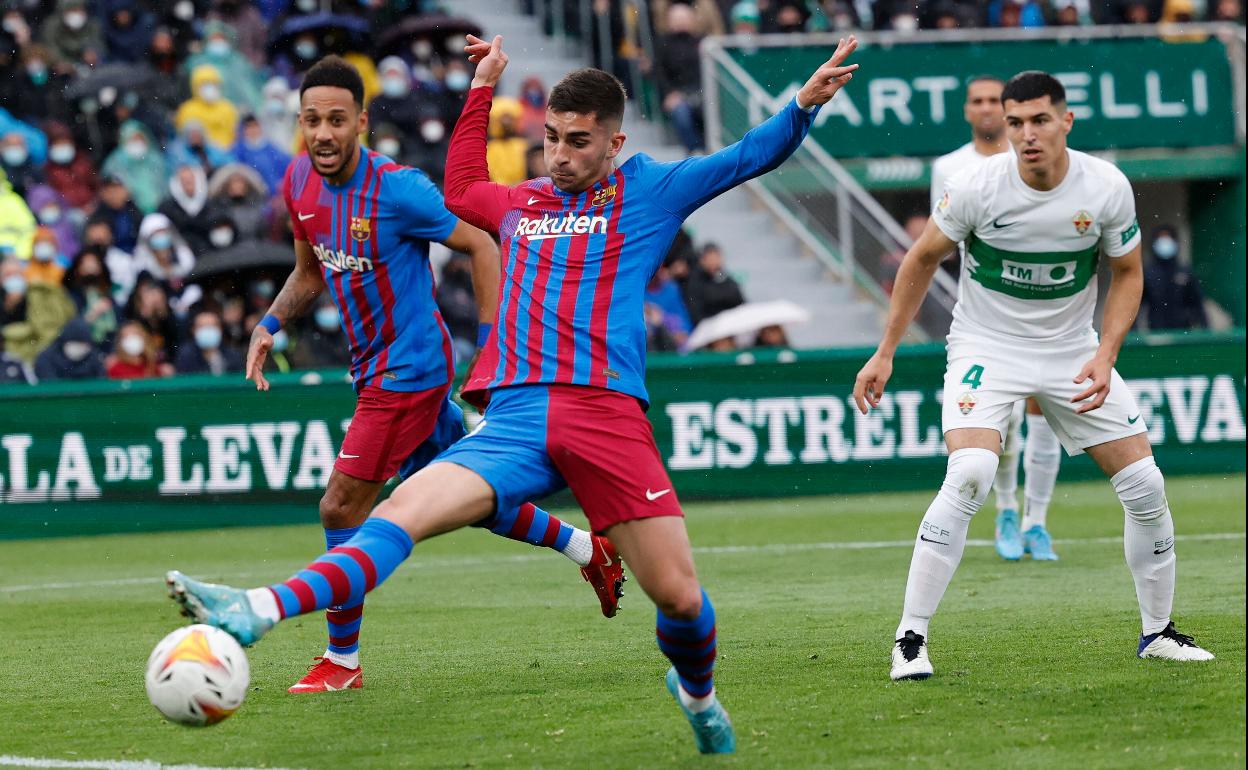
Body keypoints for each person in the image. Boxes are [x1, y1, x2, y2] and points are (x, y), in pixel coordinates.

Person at [165, 35, 862, 754]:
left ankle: (697, 694)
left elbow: (746, 157)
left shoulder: (650, 189)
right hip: (518, 415)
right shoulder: (521, 202)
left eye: (578, 142)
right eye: (551, 137)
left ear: (615, 143)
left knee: (680, 599)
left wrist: (800, 108)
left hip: (605, 415)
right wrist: (482, 87)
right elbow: (462, 187)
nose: (558, 155)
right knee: (395, 512)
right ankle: (257, 608)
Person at [172, 56, 626, 695]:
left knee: (339, 505)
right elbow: (309, 272)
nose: (323, 132)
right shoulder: (298, 181)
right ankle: (587, 548)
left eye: (336, 120)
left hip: (409, 370)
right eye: (311, 120)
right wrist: (269, 324)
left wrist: (491, 350)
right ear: (298, 124)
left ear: (360, 121)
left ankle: (341, 662)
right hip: (374, 368)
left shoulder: (398, 189)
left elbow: (482, 243)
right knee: (464, 495)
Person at [853, 71, 1214, 682]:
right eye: (1016, 123)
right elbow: (922, 257)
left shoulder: (1105, 187)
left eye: (1040, 120)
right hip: (987, 346)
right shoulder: (976, 187)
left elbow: (1128, 272)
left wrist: (1107, 354)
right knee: (971, 471)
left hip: (1072, 349)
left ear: (1066, 121)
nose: (1027, 135)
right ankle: (910, 639)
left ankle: (1157, 633)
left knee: (1146, 485)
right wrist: (885, 351)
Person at [930, 75, 1064, 562]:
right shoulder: (950, 168)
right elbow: (941, 242)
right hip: (988, 317)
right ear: (968, 110)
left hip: (1047, 313)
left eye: (994, 101)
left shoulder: (1035, 157)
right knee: (1003, 422)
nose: (986, 108)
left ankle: (1037, 521)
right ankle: (1006, 510)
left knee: (1044, 414)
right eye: (978, 101)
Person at [1140, 225, 1208, 331]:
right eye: (1161, 239)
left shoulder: (1185, 271)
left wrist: (1205, 327)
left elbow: (1197, 303)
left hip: (1183, 332)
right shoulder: (1148, 273)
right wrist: (1134, 330)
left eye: (1168, 238)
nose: (1165, 243)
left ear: (1175, 242)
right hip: (1156, 332)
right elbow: (1137, 305)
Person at [34, 315, 105, 381]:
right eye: (77, 343)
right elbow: (48, 384)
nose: (80, 348)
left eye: (84, 345)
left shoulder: (94, 358)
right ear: (64, 342)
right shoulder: (47, 358)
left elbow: (100, 381)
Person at [174, 308, 243, 375]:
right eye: (202, 326)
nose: (208, 330)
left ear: (220, 329)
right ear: (193, 330)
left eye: (212, 326)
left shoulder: (233, 354)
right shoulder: (185, 354)